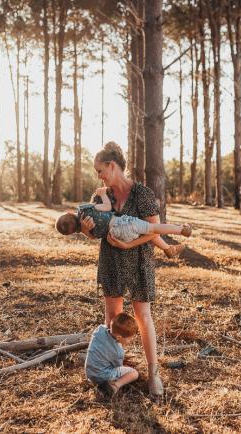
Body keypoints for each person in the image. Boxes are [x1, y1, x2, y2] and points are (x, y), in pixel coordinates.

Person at [80, 141, 165, 396]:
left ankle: (153, 374)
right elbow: (96, 233)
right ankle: (114, 372)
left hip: (139, 260)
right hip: (110, 260)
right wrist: (86, 231)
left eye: (100, 170)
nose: (99, 176)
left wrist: (130, 246)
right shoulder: (100, 196)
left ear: (112, 166)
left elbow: (155, 231)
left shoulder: (143, 194)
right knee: (113, 318)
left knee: (143, 317)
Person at [55, 187, 192, 258]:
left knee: (150, 231)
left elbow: (93, 237)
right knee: (153, 227)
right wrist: (103, 194)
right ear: (68, 212)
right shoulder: (87, 210)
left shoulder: (86, 229)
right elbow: (107, 207)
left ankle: (168, 249)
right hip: (122, 224)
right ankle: (181, 229)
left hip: (117, 236)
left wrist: (84, 230)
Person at [85, 312, 139, 397]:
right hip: (103, 377)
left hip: (90, 373)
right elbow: (118, 367)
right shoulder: (118, 352)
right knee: (134, 373)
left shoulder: (99, 329)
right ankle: (114, 386)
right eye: (130, 338)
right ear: (119, 337)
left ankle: (102, 384)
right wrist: (124, 367)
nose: (131, 340)